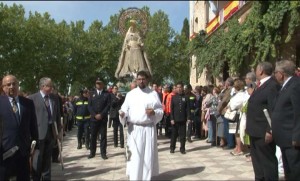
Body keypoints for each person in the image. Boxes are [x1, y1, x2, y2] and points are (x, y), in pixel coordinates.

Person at [119, 70, 163, 181]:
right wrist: (123, 114)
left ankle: (146, 178)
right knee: (134, 156)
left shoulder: (153, 94)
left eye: (143, 79)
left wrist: (154, 113)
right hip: (134, 129)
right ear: (136, 80)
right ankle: (134, 178)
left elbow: (160, 110)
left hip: (148, 129)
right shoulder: (130, 94)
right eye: (139, 79)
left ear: (147, 80)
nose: (141, 81)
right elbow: (124, 110)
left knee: (147, 156)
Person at [0, 75, 39, 180]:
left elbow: (33, 125)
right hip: (4, 151)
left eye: (14, 84)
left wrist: (36, 144)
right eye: (8, 84)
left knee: (24, 177)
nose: (12, 86)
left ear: (18, 85)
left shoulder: (28, 103)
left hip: (23, 150)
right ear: (3, 87)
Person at [246, 62, 280, 180]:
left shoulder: (272, 86)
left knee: (267, 163)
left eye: (256, 69)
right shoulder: (259, 85)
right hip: (254, 130)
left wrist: (269, 130)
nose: (255, 71)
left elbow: (273, 109)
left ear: (261, 71)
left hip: (263, 131)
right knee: (258, 163)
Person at [28, 77, 61, 181]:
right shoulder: (32, 99)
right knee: (37, 160)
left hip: (51, 133)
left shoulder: (54, 98)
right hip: (38, 134)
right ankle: (36, 178)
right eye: (49, 86)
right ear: (43, 86)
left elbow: (57, 115)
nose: (51, 88)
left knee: (47, 159)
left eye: (51, 86)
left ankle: (47, 178)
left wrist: (59, 131)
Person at [272, 60, 300, 180]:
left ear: (281, 73)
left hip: (291, 139)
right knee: (288, 171)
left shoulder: (295, 85)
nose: (275, 75)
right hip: (284, 138)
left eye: (275, 72)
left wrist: (297, 136)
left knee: (295, 171)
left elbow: (298, 112)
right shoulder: (285, 86)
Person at [88, 79, 111, 160]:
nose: (98, 85)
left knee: (103, 137)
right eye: (97, 83)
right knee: (93, 136)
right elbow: (89, 106)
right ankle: (92, 152)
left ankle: (103, 153)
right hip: (94, 119)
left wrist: (101, 114)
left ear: (102, 84)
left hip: (103, 118)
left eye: (99, 83)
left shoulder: (106, 94)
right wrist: (94, 115)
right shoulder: (91, 94)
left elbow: (108, 106)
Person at [170, 82, 191, 154]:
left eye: (180, 87)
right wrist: (172, 118)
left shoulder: (186, 97)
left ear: (182, 88)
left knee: (183, 135)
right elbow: (171, 109)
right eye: (177, 87)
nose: (179, 89)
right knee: (174, 135)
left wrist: (188, 118)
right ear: (176, 88)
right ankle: (172, 148)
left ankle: (182, 148)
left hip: (183, 119)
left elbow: (188, 109)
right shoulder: (173, 97)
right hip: (175, 119)